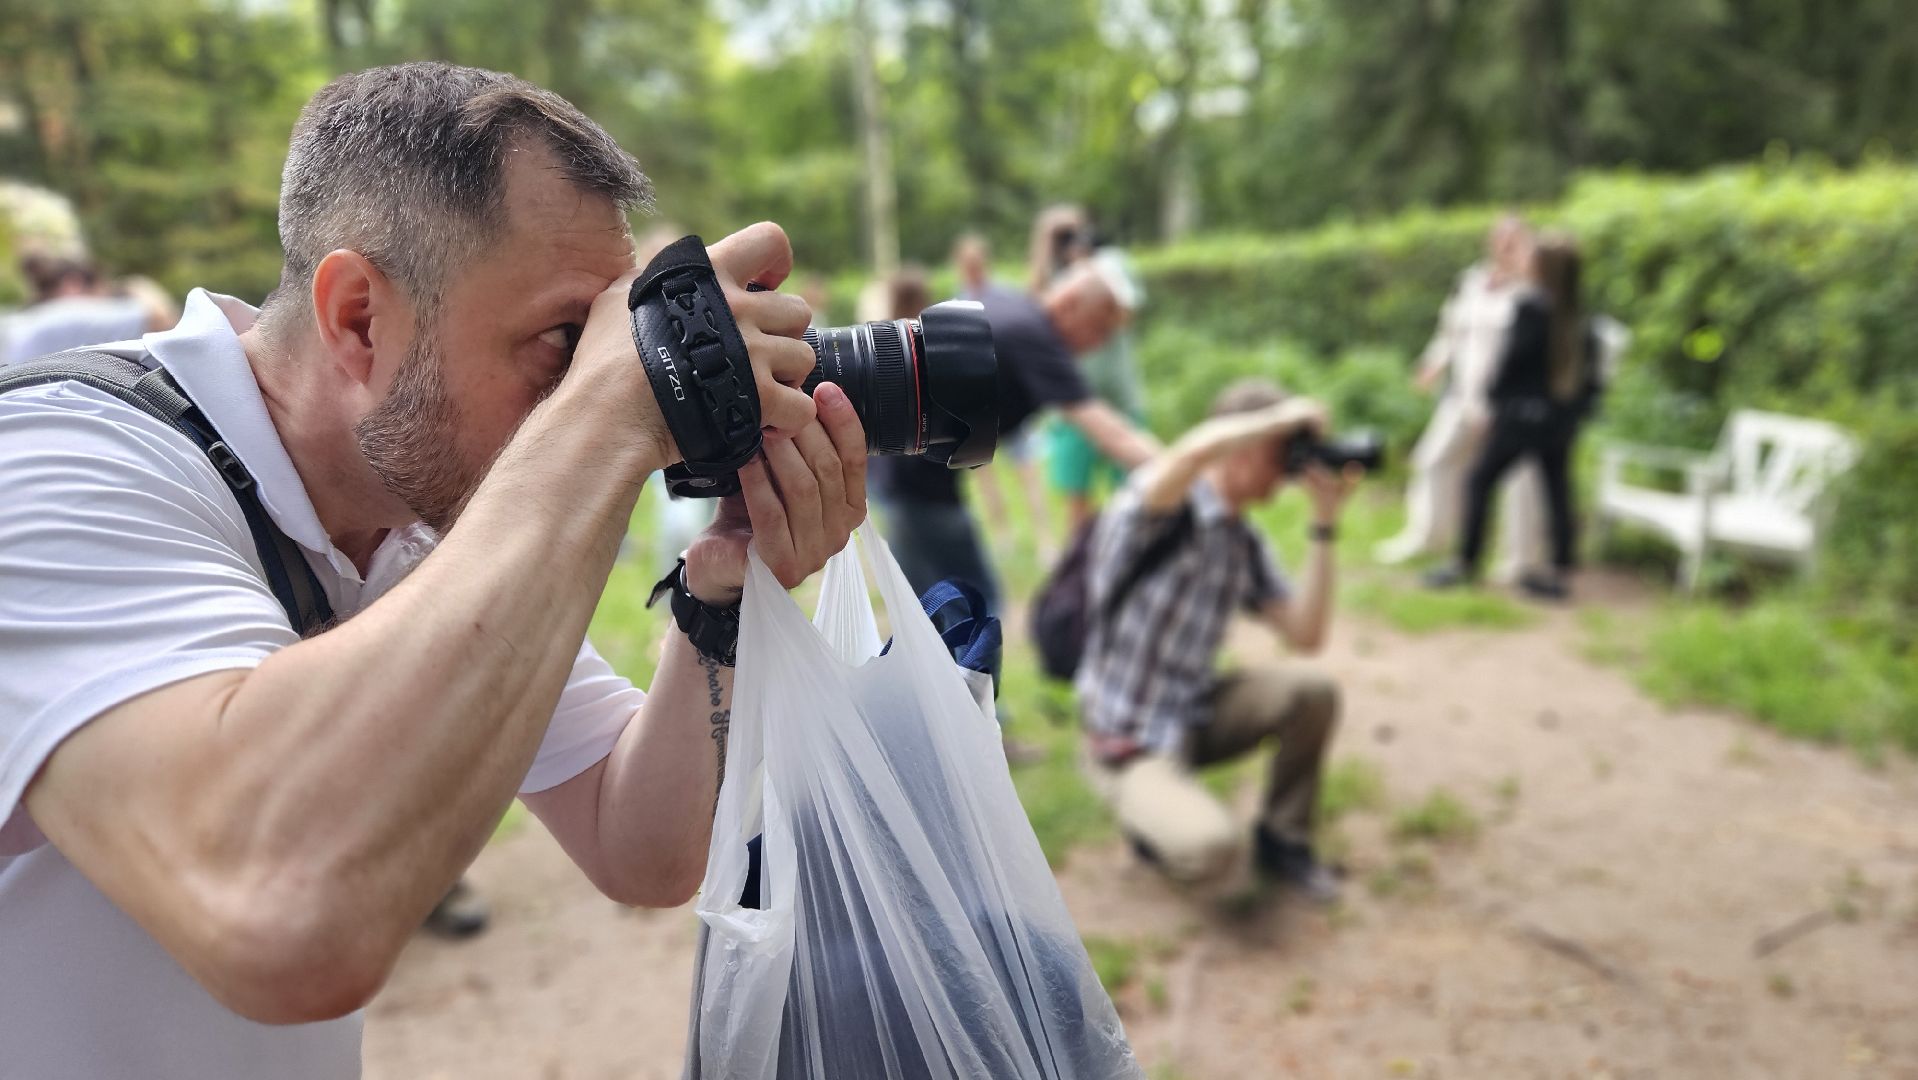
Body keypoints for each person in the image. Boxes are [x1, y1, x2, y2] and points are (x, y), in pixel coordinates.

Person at [0, 62, 867, 1077]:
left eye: (605, 345)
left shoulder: (419, 519)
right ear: (359, 318)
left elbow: (640, 842)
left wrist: (721, 591)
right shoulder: (56, 465)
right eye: (565, 342)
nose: (595, 385)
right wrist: (601, 414)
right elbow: (279, 918)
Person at [1077, 379, 1361, 900]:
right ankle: (1145, 813)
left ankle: (1284, 838)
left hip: (1193, 712)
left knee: (1312, 689)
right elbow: (1193, 453)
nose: (1289, 472)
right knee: (1211, 849)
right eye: (1282, 454)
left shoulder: (1243, 541)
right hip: (1128, 739)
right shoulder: (1158, 507)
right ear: (1243, 448)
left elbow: (1306, 636)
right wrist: (1286, 416)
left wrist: (1325, 524)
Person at [869, 260, 1159, 614]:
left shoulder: (1014, 305)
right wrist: (1189, 472)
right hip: (915, 485)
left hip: (900, 470)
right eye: (1100, 329)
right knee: (973, 613)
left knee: (938, 610)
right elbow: (1112, 435)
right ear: (1069, 305)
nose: (1099, 344)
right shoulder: (1036, 337)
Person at [1425, 232, 1597, 600]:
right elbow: (1591, 382)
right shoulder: (1581, 317)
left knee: (1479, 481)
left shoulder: (1530, 307)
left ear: (1541, 266)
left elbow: (1510, 366)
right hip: (1559, 424)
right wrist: (1571, 417)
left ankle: (1466, 562)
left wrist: (1494, 404)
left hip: (1519, 419)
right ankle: (1560, 572)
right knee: (1557, 493)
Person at [1375, 216, 1547, 581]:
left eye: (1514, 241)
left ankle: (1520, 561)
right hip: (1463, 396)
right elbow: (1452, 332)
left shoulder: (1534, 292)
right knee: (1433, 459)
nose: (1505, 247)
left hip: (1509, 404)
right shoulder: (1472, 281)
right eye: (1500, 240)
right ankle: (1429, 537)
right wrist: (1433, 364)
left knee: (1519, 479)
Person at [1, 255, 177, 365]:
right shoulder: (69, 314)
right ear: (73, 284)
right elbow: (161, 319)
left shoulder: (26, 319)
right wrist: (135, 285)